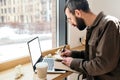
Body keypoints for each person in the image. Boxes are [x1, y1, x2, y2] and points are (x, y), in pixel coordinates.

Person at [61, 0, 120, 80]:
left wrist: (74, 63)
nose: (71, 23)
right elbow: (93, 54)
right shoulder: (91, 27)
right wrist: (73, 54)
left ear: (78, 13)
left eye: (70, 19)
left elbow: (102, 64)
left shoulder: (109, 24)